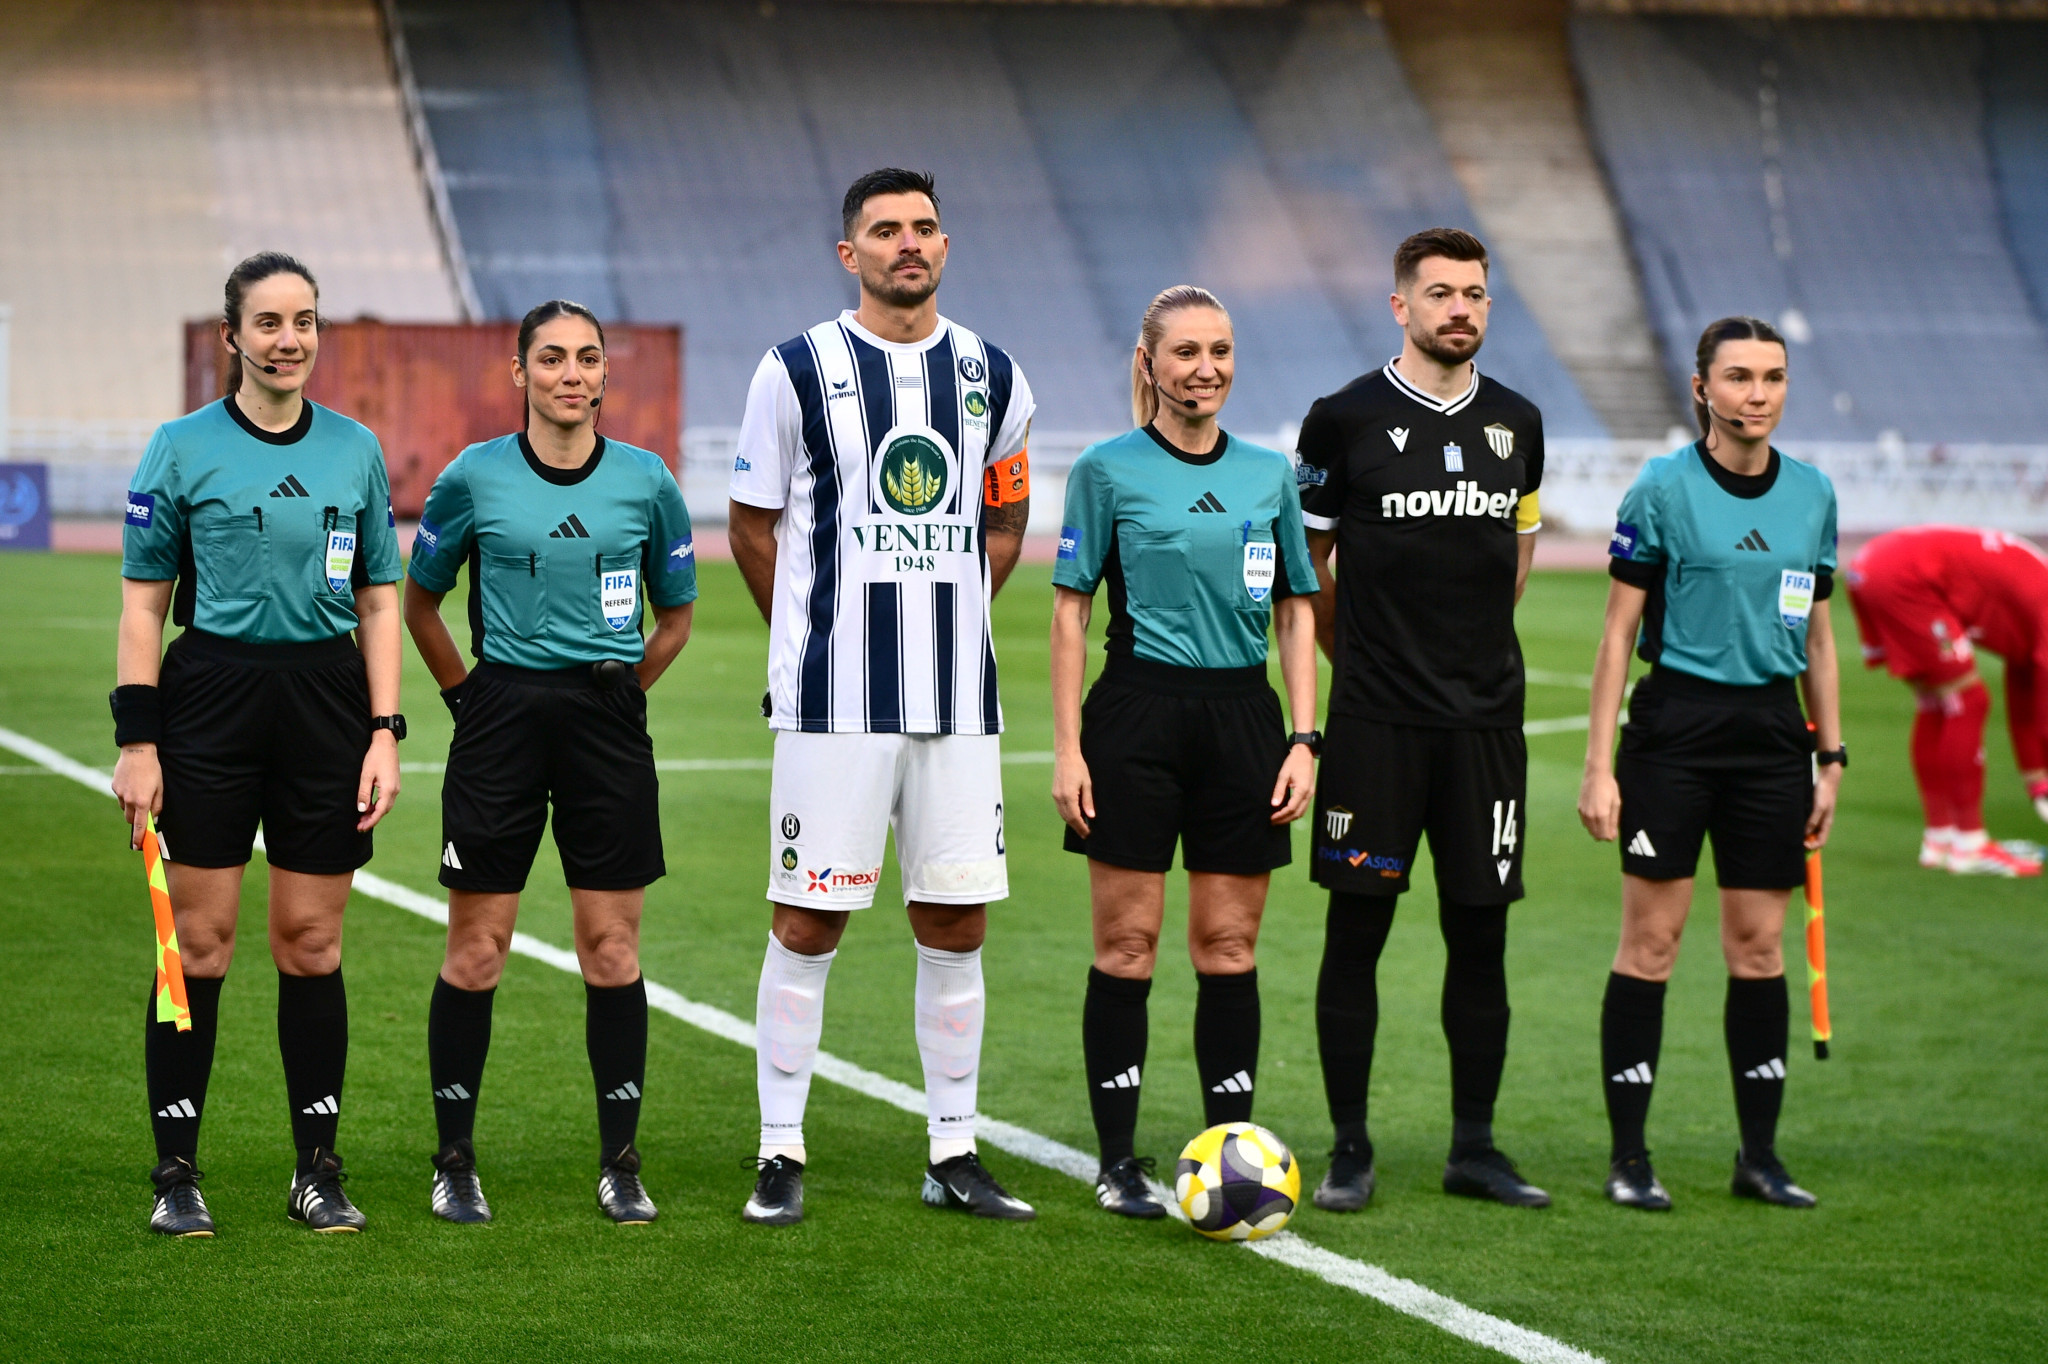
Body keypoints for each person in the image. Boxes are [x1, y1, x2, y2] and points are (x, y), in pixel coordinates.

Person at [728, 169, 1037, 1227]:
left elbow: (1004, 520)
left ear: (943, 244)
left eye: (922, 228)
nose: (907, 244)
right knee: (809, 917)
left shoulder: (995, 373)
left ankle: (952, 1146)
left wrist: (952, 615)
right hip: (833, 699)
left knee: (954, 918)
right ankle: (778, 1145)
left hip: (955, 697)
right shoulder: (795, 368)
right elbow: (750, 524)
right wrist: (808, 639)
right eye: (883, 230)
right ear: (846, 252)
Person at [112, 252, 405, 1236]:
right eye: (269, 323)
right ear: (231, 336)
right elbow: (145, 605)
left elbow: (375, 596)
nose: (290, 340)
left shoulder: (355, 449)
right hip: (211, 703)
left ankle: (316, 1167)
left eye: (305, 321)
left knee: (311, 943)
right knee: (198, 943)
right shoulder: (180, 447)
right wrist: (138, 742)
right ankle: (176, 1169)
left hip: (325, 706)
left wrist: (383, 732)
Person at [403, 299, 698, 1225]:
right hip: (499, 719)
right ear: (519, 374)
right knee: (477, 950)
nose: (572, 373)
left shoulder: (648, 482)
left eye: (589, 358)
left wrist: (625, 693)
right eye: (553, 358)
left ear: (607, 375)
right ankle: (454, 1160)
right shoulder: (471, 477)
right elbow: (420, 604)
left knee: (611, 950)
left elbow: (677, 614)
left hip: (605, 724)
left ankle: (621, 1162)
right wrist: (467, 699)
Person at [1294, 227, 1550, 1212]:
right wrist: (1356, 664)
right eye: (1439, 293)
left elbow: (1516, 555)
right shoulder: (1342, 419)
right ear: (1398, 306)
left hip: (1485, 726)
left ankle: (1473, 1146)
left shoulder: (1519, 422)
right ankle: (1349, 1147)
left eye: (1475, 294)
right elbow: (1307, 568)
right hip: (1374, 724)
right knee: (1356, 931)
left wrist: (1468, 653)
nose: (1460, 309)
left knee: (1478, 933)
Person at [1050, 286, 1321, 1219]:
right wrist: (1068, 749)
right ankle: (1119, 1162)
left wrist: (1302, 738)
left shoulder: (1266, 473)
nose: (1206, 368)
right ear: (1150, 362)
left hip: (1245, 724)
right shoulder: (1106, 469)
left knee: (1229, 946)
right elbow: (1070, 612)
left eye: (1221, 350)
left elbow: (1296, 606)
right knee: (1127, 946)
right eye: (1186, 352)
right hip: (1135, 719)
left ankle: (1228, 1151)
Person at [1580, 315, 1842, 1211]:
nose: (1756, 394)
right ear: (1703, 389)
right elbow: (1616, 635)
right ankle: (1629, 1157)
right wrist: (1599, 765)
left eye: (1771, 377)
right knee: (1651, 945)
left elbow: (1819, 637)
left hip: (1772, 739)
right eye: (1738, 377)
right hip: (1674, 731)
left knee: (1759, 949)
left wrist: (1831, 756)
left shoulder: (1813, 495)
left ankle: (1759, 1158)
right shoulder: (1660, 488)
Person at [1845, 526, 2048, 875]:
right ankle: (1970, 845)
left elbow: (2026, 692)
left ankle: (1940, 838)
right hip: (1904, 575)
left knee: (1936, 702)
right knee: (1967, 699)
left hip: (1873, 564)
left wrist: (2037, 781)